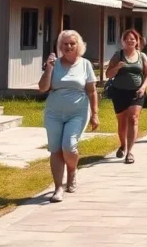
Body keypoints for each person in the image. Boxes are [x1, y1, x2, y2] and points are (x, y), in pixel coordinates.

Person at [38, 30, 99, 203]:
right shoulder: (54, 64)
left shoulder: (85, 64)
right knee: (55, 149)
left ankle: (72, 170)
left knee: (69, 146)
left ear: (79, 45)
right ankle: (58, 187)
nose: (69, 47)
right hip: (54, 112)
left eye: (72, 43)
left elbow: (92, 91)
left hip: (77, 112)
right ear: (60, 46)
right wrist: (48, 68)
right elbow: (42, 88)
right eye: (65, 44)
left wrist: (95, 114)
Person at [104, 28, 147, 164]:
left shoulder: (142, 56)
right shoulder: (118, 55)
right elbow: (108, 74)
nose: (130, 41)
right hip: (119, 92)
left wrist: (143, 88)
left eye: (133, 39)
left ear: (137, 41)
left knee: (133, 118)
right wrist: (117, 67)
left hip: (136, 92)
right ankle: (123, 145)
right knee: (122, 122)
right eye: (127, 39)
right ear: (123, 42)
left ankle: (129, 152)